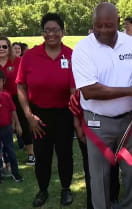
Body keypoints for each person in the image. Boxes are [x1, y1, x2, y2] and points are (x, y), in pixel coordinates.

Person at [72, 2, 132, 209]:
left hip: (129, 120)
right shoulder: (83, 48)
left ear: (118, 22)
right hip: (98, 122)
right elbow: (89, 90)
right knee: (100, 176)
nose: (103, 30)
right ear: (92, 24)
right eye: (98, 25)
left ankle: (130, 206)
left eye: (108, 25)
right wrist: (131, 91)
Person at [16, 13, 76, 207]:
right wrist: (28, 116)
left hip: (64, 114)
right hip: (38, 115)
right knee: (42, 156)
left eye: (56, 30)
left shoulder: (71, 55)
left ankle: (66, 188)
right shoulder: (30, 56)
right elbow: (20, 86)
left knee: (65, 153)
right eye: (47, 30)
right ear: (42, 33)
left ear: (63, 32)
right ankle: (43, 190)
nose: (51, 34)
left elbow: (75, 89)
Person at [0, 37, 34, 166]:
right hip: (1, 98)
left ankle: (31, 154)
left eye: (4, 46)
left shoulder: (17, 61)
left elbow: (27, 78)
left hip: (17, 97)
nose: (1, 49)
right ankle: (5, 159)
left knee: (23, 124)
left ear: (9, 48)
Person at [0, 70, 23, 182]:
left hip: (6, 128)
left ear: (3, 81)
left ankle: (15, 172)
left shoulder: (6, 96)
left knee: (10, 150)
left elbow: (13, 111)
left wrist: (17, 124)